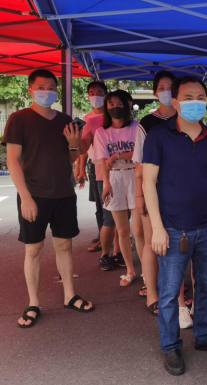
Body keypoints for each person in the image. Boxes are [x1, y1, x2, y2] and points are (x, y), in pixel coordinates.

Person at [144, 76, 207, 376]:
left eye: (200, 97)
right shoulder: (159, 136)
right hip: (172, 228)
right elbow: (148, 182)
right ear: (176, 101)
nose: (196, 103)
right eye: (189, 98)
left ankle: (204, 336)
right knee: (169, 293)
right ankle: (171, 346)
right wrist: (156, 227)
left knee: (206, 286)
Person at [2, 69, 94, 328]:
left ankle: (69, 295)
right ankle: (33, 303)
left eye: (52, 88)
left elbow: (71, 157)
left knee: (64, 245)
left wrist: (74, 143)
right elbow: (13, 161)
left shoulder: (65, 120)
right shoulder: (18, 119)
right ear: (30, 89)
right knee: (33, 249)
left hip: (64, 193)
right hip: (33, 195)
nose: (47, 92)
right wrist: (25, 197)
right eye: (41, 87)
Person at [133, 70, 177, 317]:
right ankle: (152, 293)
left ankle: (178, 292)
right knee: (152, 242)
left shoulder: (186, 118)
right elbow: (138, 166)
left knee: (179, 243)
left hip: (180, 192)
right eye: (162, 87)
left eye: (171, 86)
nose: (167, 91)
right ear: (155, 92)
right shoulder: (147, 124)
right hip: (154, 191)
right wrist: (139, 196)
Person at [93, 89, 141, 287]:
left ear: (126, 106)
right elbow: (103, 161)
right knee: (122, 230)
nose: (115, 107)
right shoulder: (101, 132)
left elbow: (140, 154)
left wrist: (118, 156)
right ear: (106, 108)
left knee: (138, 231)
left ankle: (147, 272)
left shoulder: (136, 128)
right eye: (111, 104)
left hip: (135, 176)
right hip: (114, 179)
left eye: (119, 104)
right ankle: (130, 270)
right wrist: (106, 184)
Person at [76, 81, 108, 252]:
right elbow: (83, 148)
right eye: (92, 93)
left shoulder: (112, 116)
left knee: (113, 205)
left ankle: (116, 237)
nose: (95, 96)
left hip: (112, 165)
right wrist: (80, 169)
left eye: (99, 92)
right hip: (94, 165)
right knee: (100, 205)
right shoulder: (87, 119)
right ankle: (103, 235)